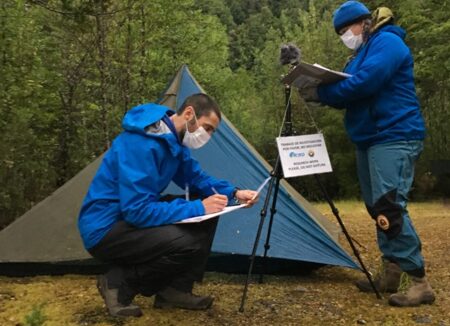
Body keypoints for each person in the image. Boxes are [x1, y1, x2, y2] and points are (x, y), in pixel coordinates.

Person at [298, 1, 435, 307]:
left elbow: (364, 84)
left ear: (364, 22)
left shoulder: (388, 42)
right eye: (340, 33)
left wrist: (320, 93)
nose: (344, 35)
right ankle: (391, 271)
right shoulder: (359, 54)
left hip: (394, 134)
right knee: (378, 208)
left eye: (346, 29)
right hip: (370, 138)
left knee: (390, 207)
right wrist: (305, 75)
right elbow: (346, 88)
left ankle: (419, 282)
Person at [78, 93, 259, 317]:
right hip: (105, 227)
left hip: (128, 216)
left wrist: (234, 193)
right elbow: (137, 211)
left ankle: (174, 290)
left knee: (212, 211)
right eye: (208, 128)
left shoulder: (174, 141)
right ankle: (117, 284)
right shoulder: (141, 144)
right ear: (189, 113)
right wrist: (199, 208)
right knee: (188, 241)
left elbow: (197, 178)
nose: (208, 136)